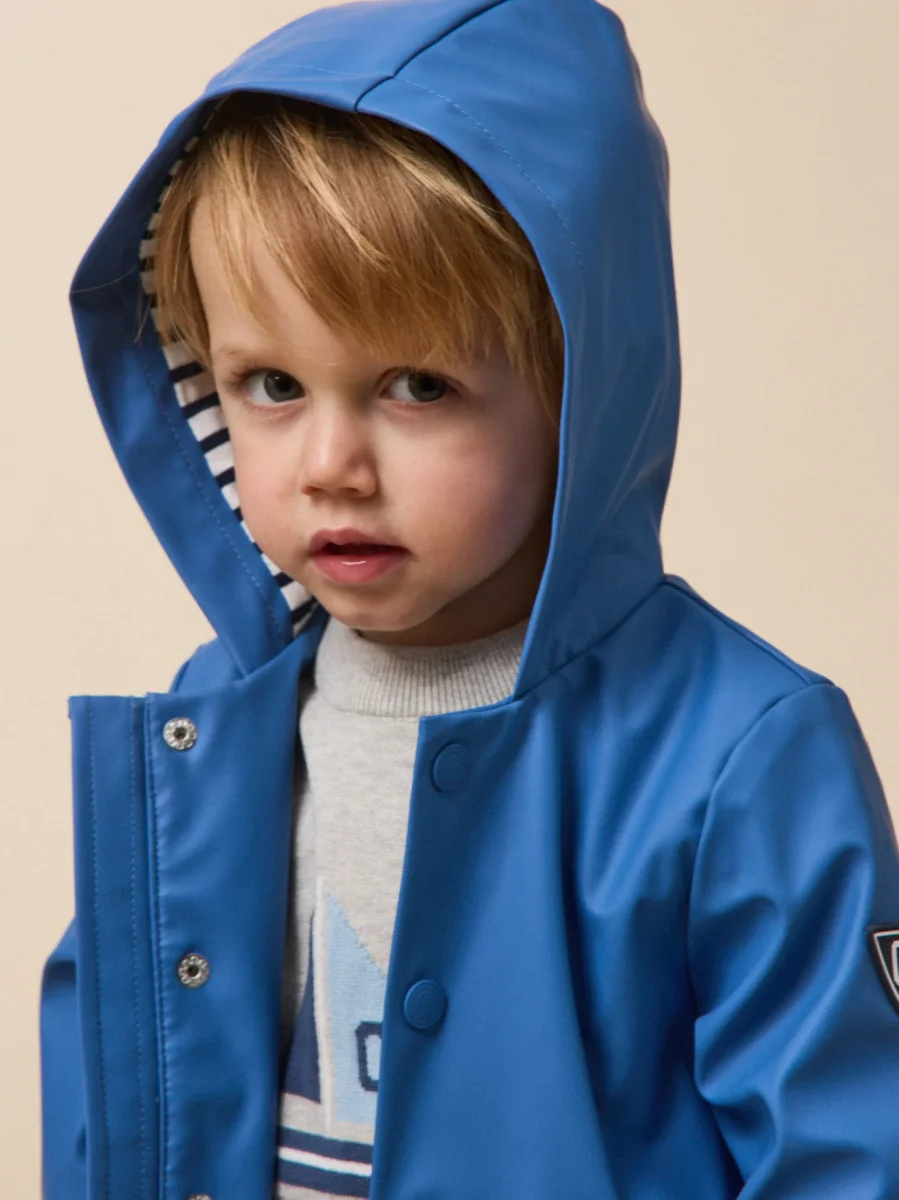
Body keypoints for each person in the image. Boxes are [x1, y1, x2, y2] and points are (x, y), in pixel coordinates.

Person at [38, 0, 899, 1197]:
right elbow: (120, 1096)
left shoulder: (738, 759)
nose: (330, 465)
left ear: (579, 382)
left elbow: (844, 1153)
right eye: (271, 384)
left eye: (416, 386)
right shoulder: (205, 724)